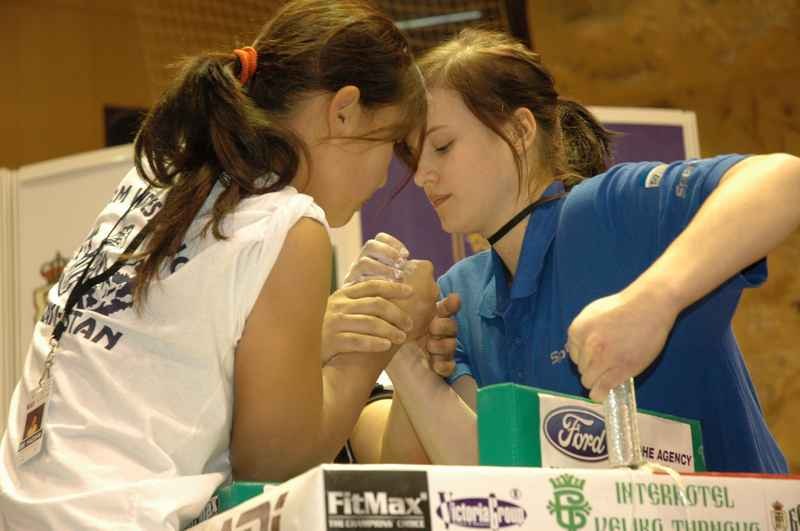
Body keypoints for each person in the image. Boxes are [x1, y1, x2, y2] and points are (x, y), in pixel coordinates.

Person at [0, 1, 444, 528]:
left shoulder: (162, 178)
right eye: (391, 142)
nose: (382, 179)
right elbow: (276, 464)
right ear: (344, 110)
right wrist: (381, 335)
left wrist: (317, 342)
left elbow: (175, 362)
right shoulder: (286, 222)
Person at [370, 28, 798, 473]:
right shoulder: (461, 290)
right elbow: (486, 472)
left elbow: (781, 179)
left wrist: (653, 300)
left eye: (442, 146)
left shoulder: (608, 208)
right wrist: (402, 353)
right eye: (415, 158)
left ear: (518, 130)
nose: (422, 176)